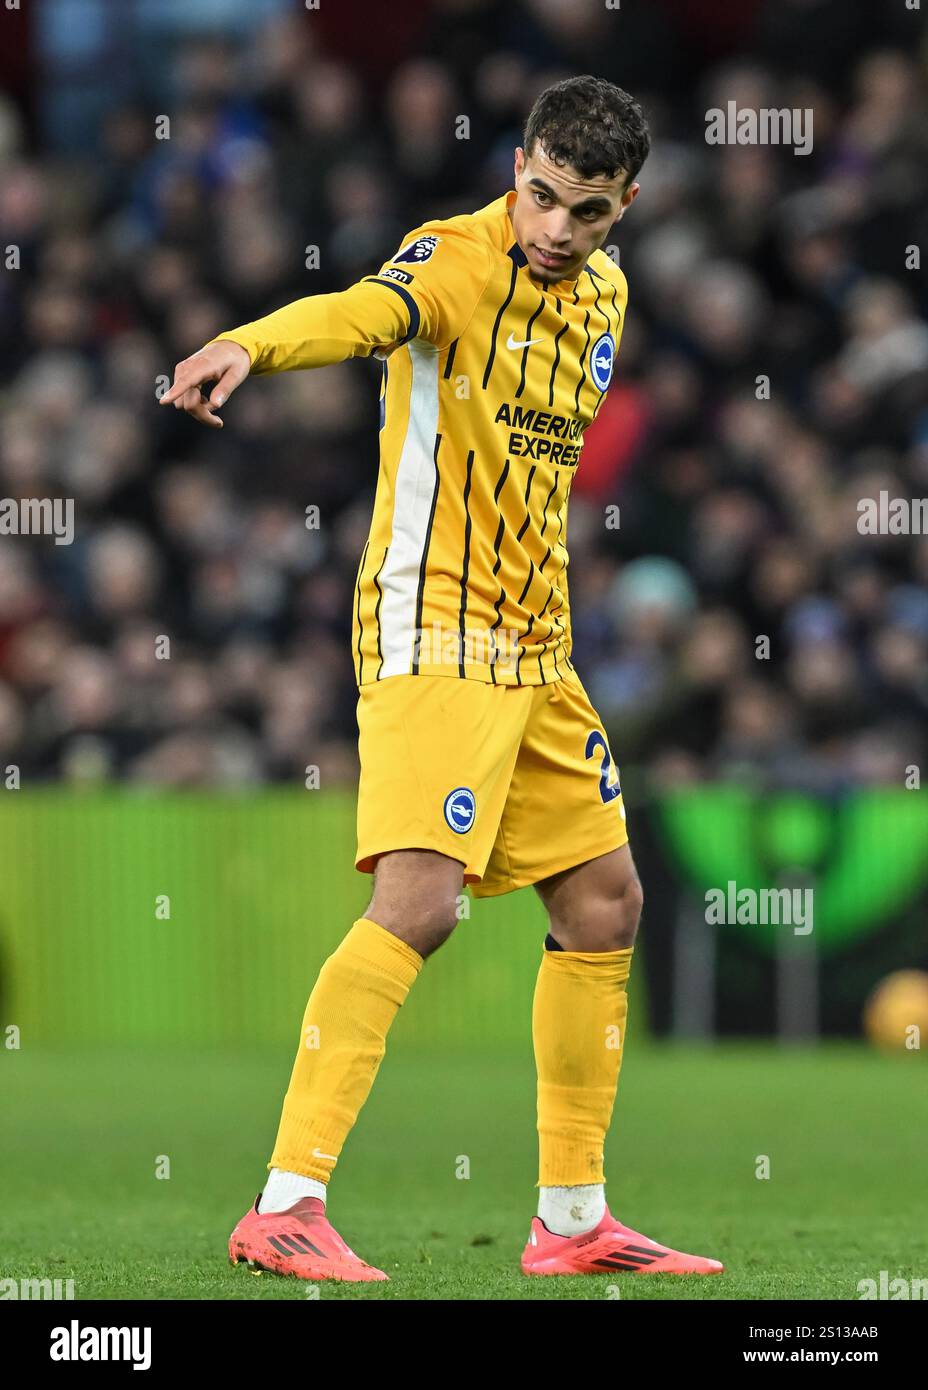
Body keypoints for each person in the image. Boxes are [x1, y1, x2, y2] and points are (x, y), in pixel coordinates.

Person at [161, 74, 723, 1281]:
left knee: (604, 902)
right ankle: (285, 1201)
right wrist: (248, 344)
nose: (556, 229)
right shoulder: (453, 260)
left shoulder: (606, 297)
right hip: (432, 623)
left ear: (627, 207)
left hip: (538, 641)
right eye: (540, 196)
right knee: (421, 903)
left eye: (588, 211)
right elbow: (361, 313)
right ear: (515, 167)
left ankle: (572, 1221)